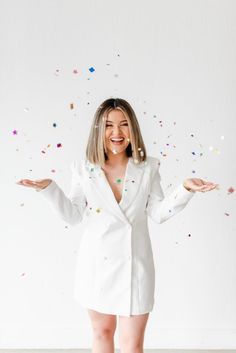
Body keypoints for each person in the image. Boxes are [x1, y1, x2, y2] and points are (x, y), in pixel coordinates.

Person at [16, 98, 219, 353]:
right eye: (109, 125)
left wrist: (185, 188)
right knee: (102, 334)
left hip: (136, 268)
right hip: (96, 269)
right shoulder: (83, 168)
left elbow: (157, 212)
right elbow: (74, 215)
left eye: (124, 125)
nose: (117, 132)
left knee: (132, 345)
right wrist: (48, 189)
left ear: (133, 129)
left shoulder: (148, 167)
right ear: (97, 130)